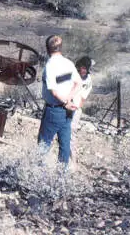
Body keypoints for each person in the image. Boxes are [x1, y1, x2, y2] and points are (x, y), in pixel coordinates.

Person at [37, 35, 81, 165]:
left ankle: (37, 173)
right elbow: (78, 84)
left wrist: (65, 102)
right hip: (68, 111)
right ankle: (62, 176)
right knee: (65, 144)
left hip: (54, 110)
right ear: (60, 48)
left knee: (43, 143)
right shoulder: (68, 63)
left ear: (47, 49)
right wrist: (69, 99)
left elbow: (54, 91)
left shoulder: (50, 65)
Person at [71, 56, 93, 131]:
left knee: (72, 129)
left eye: (86, 69)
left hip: (76, 107)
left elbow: (85, 93)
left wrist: (80, 104)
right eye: (83, 68)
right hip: (66, 105)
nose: (84, 70)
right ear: (79, 66)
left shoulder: (88, 79)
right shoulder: (72, 75)